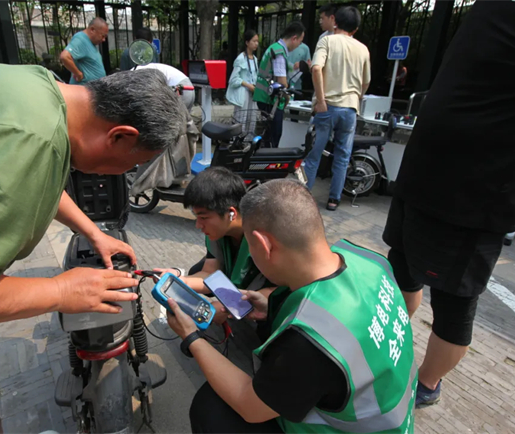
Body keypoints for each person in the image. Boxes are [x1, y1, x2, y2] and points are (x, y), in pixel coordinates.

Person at [0, 66, 185, 431]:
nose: (126, 172)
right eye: (134, 164)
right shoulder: (27, 137)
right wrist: (60, 291)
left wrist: (92, 231)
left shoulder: (42, 94)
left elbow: (29, 172)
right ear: (121, 135)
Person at [165, 179, 416, 434]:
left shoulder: (311, 340)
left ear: (264, 245)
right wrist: (272, 307)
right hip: (392, 414)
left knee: (211, 410)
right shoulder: (369, 259)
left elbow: (249, 405)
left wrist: (192, 337)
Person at [383, 0, 515, 408]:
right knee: (406, 273)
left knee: (448, 298)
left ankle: (422, 381)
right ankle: (395, 353)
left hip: (467, 189)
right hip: (432, 176)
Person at [156, 167, 273, 324]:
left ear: (231, 213)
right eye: (196, 217)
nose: (198, 225)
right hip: (243, 289)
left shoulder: (265, 238)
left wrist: (233, 306)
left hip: (267, 298)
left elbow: (282, 288)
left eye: (204, 217)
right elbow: (209, 273)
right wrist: (179, 281)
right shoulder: (217, 234)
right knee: (195, 272)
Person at [303, 6, 371, 211]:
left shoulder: (327, 41)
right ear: (355, 28)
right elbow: (366, 82)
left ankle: (304, 197)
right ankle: (334, 200)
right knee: (342, 156)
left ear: (335, 22)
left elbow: (316, 68)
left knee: (314, 155)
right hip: (350, 109)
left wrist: (321, 100)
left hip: (328, 107)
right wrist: (356, 97)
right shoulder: (363, 49)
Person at [253, 22, 305, 148]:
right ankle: (268, 158)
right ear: (294, 38)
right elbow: (282, 81)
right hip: (270, 100)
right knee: (273, 136)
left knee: (268, 135)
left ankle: (264, 156)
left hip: (264, 97)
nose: (299, 45)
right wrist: (287, 94)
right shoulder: (279, 52)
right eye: (300, 41)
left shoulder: (275, 48)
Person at [226, 30, 259, 137]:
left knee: (251, 120)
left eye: (257, 41)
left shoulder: (255, 59)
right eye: (254, 41)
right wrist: (248, 85)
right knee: (241, 120)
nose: (256, 44)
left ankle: (248, 142)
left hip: (252, 94)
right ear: (247, 42)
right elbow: (233, 79)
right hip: (243, 93)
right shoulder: (241, 58)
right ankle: (237, 143)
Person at [60, 17, 108, 84]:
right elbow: (65, 56)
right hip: (83, 88)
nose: (104, 40)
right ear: (92, 29)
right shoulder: (81, 39)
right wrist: (78, 74)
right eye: (102, 36)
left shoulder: (90, 42)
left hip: (94, 87)